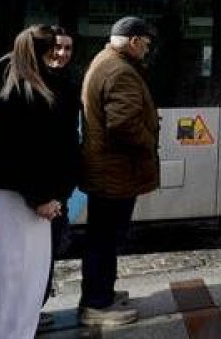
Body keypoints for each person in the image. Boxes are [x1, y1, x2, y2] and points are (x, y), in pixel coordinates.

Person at [0, 26, 81, 336]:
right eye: (52, 50)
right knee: (21, 277)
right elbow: (23, 152)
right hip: (21, 194)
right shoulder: (26, 87)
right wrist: (42, 197)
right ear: (41, 52)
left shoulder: (16, 78)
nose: (59, 56)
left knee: (3, 274)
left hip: (14, 190)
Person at [78, 17, 160, 327]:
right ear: (135, 41)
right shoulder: (120, 71)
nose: (148, 49)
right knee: (105, 239)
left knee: (103, 237)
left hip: (106, 171)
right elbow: (123, 124)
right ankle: (97, 304)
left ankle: (102, 294)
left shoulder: (105, 60)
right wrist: (149, 139)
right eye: (147, 43)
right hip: (115, 172)